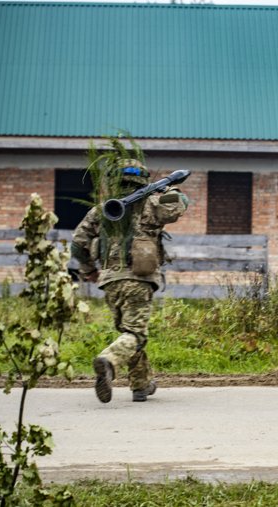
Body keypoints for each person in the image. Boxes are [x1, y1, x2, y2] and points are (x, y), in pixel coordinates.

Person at [72, 159, 188, 403]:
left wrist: (88, 270)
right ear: (143, 179)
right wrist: (167, 187)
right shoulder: (153, 203)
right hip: (138, 280)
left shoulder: (101, 210)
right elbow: (181, 205)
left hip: (111, 282)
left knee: (129, 333)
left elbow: (78, 242)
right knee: (135, 334)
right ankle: (109, 360)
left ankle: (141, 385)